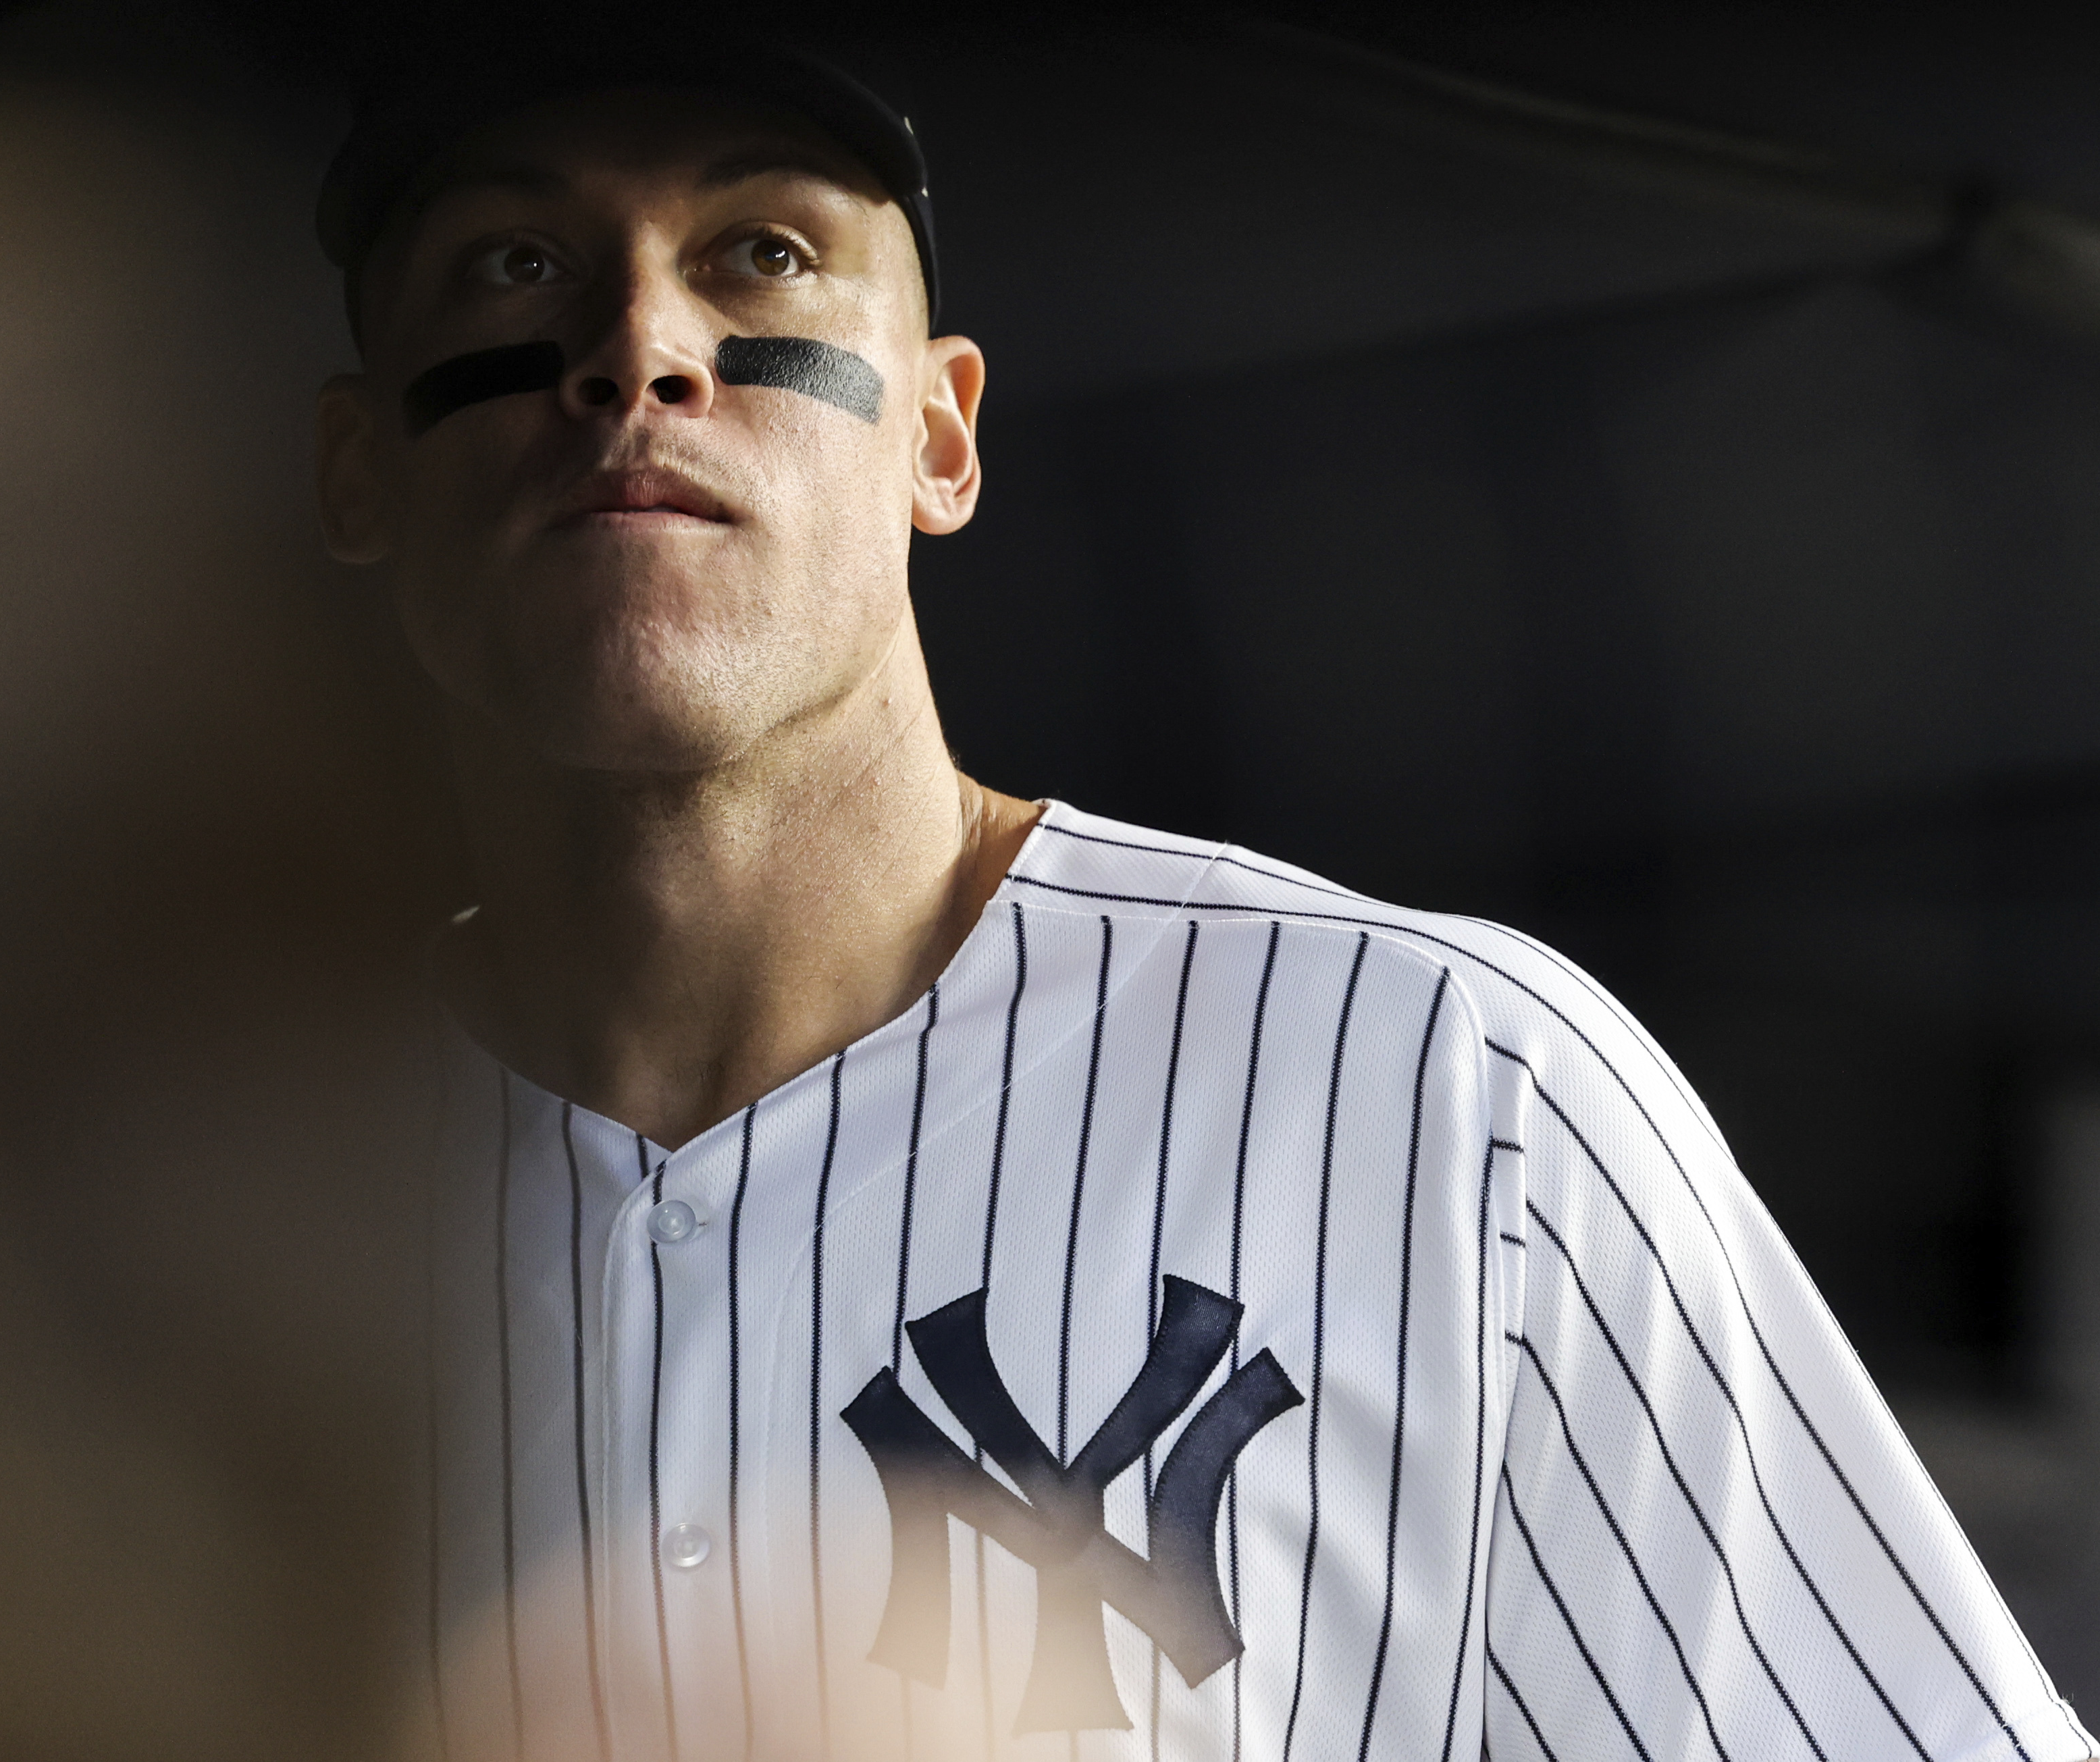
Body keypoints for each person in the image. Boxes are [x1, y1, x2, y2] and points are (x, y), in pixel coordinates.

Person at [309, 41, 2093, 1762]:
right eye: (512, 263)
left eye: (762, 250)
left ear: (938, 435)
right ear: (356, 469)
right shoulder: (141, 1196)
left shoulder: (1449, 1086)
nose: (636, 348)